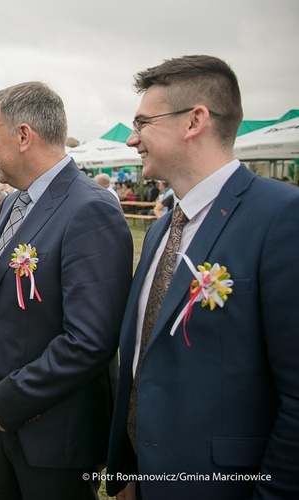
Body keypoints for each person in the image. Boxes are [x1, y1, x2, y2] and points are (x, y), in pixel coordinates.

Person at [106, 55, 299, 500]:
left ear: (195, 120)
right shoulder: (160, 229)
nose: (133, 138)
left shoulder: (281, 218)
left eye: (143, 123)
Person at [0, 81, 133, 499]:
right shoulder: (12, 202)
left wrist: (10, 398)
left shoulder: (90, 209)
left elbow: (91, 340)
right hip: (1, 417)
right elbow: (4, 309)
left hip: (55, 435)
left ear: (24, 136)